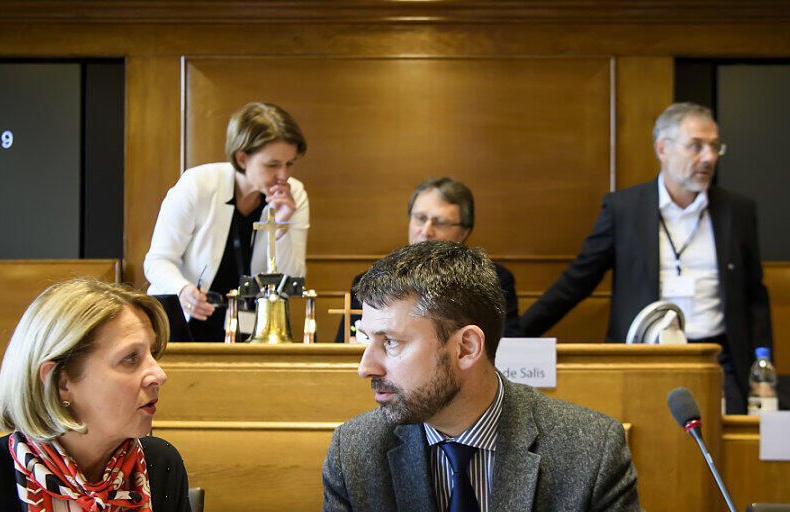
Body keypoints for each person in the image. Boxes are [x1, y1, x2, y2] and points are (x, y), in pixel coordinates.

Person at [322, 241, 641, 511]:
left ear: (466, 348)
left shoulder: (591, 453)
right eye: (368, 340)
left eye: (390, 342)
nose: (365, 368)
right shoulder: (355, 453)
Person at [520, 102, 772, 414]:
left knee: (725, 454)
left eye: (714, 146)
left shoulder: (738, 211)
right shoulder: (624, 209)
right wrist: (515, 336)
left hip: (718, 359)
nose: (708, 157)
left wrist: (763, 365)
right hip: (644, 357)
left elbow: (754, 296)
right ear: (662, 149)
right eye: (696, 146)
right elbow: (577, 281)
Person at [0, 278, 190, 512]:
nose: (159, 375)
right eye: (131, 358)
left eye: (152, 354)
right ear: (61, 381)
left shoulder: (161, 465)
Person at [145, 102, 309, 341]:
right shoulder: (197, 184)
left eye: (289, 163)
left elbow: (290, 283)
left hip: (252, 328)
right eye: (272, 165)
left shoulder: (295, 195)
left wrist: (281, 229)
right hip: (187, 320)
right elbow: (157, 261)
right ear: (241, 158)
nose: (283, 175)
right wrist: (182, 289)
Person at [336, 177, 522, 342]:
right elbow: (339, 349)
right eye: (420, 218)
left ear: (463, 232)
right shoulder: (368, 282)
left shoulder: (495, 281)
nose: (426, 231)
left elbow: (510, 349)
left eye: (439, 222)